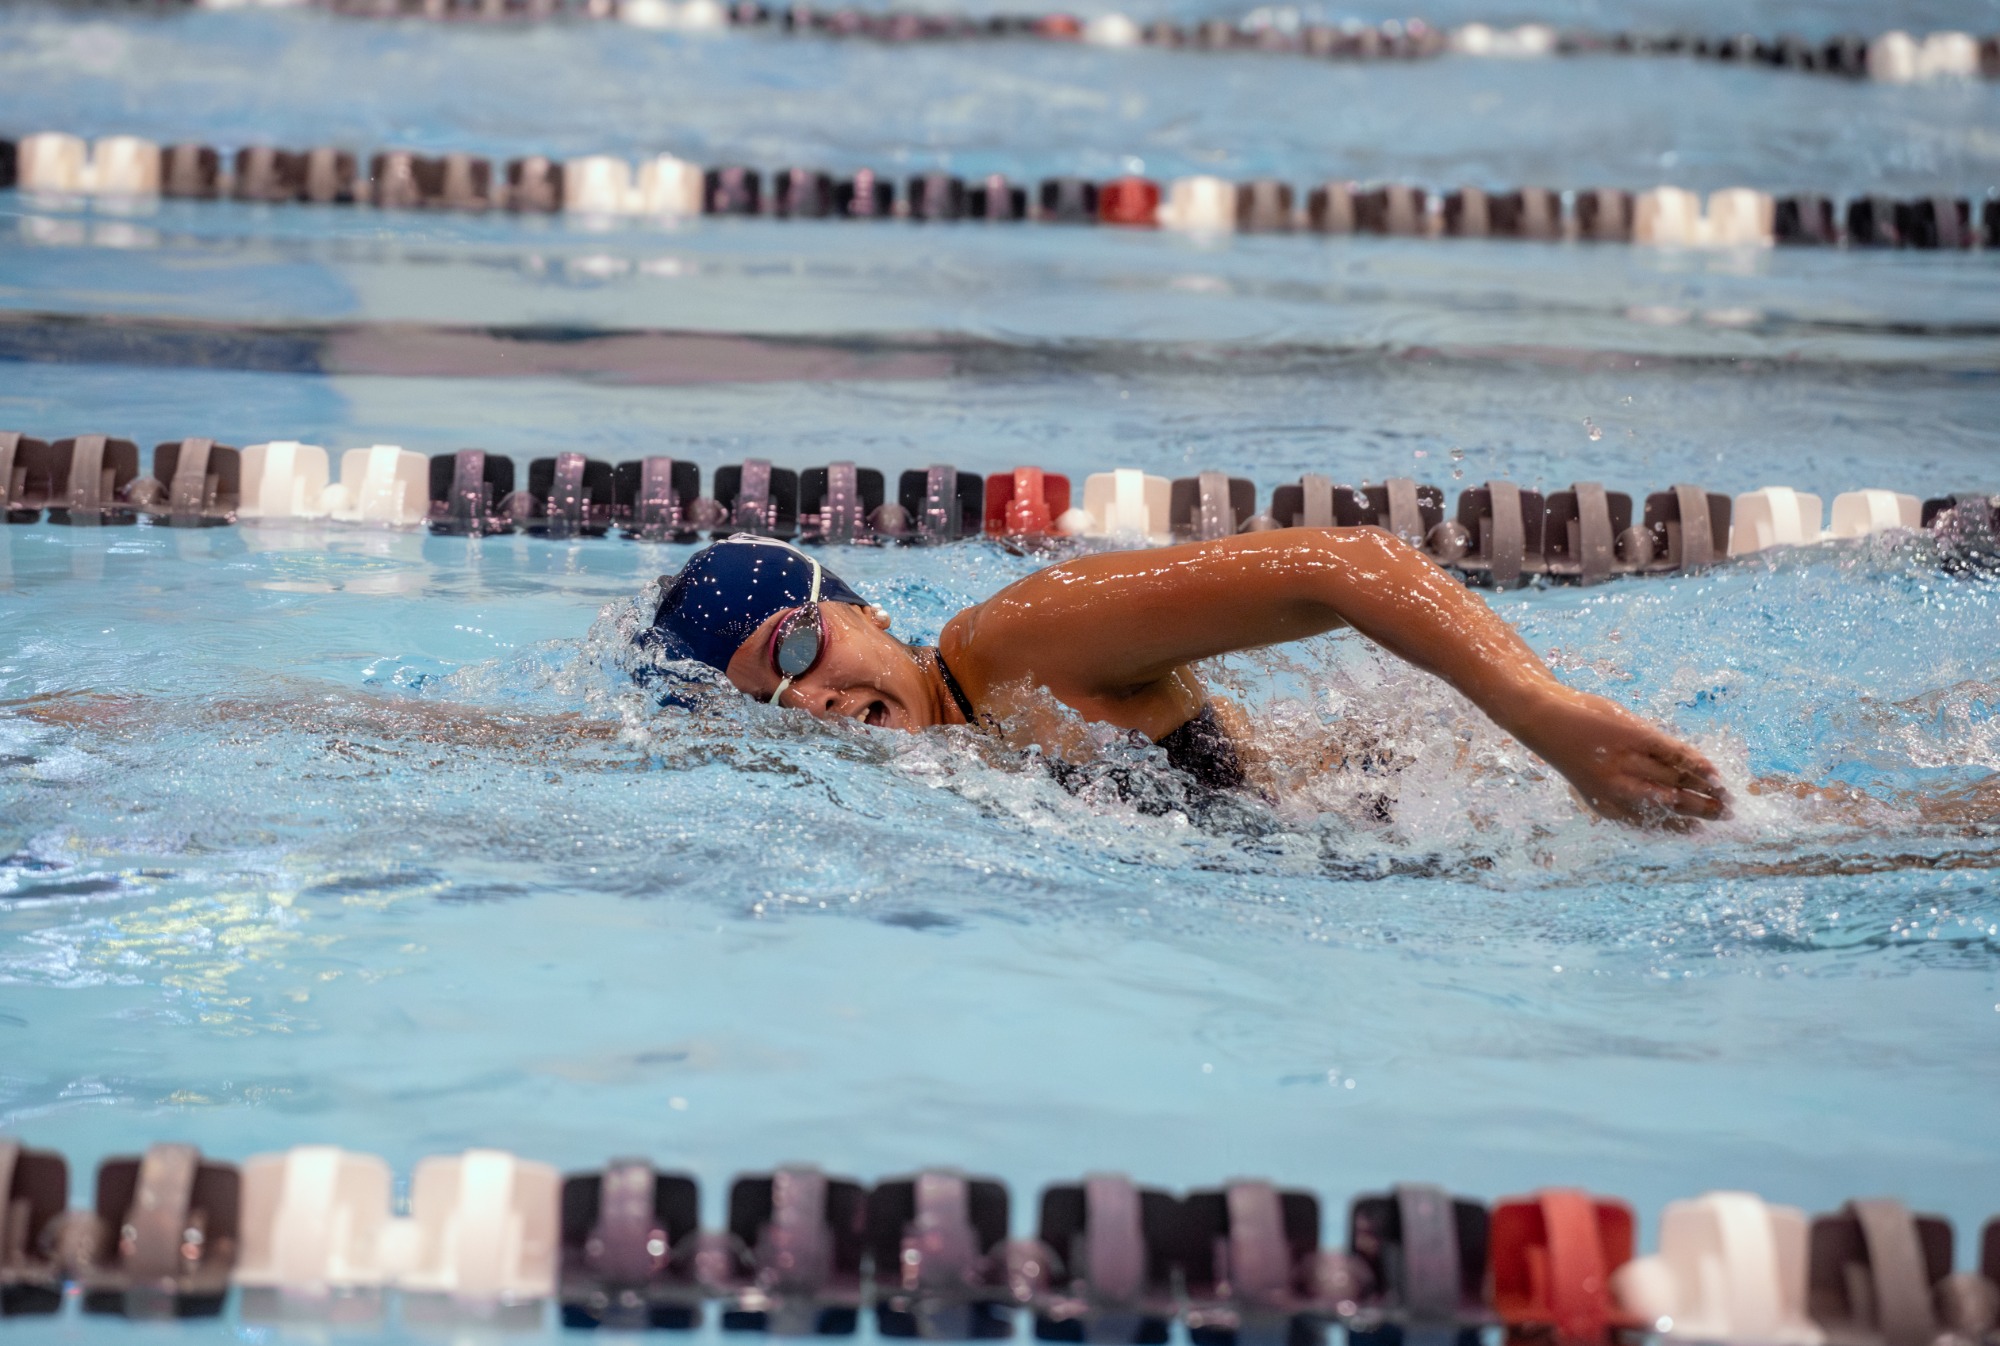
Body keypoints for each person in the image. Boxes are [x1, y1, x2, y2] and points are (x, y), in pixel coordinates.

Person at [639, 529, 1730, 828]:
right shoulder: (933, 753)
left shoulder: (1018, 641)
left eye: (796, 649)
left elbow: (1347, 562)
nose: (811, 699)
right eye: (772, 701)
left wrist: (1542, 713)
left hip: (1444, 817)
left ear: (861, 609)